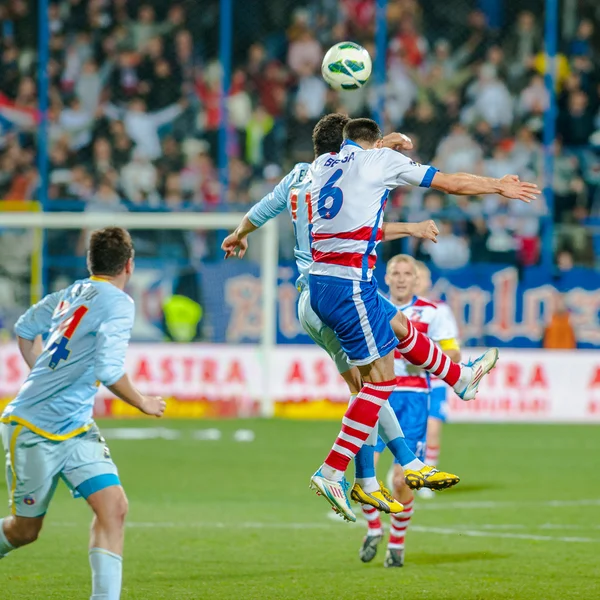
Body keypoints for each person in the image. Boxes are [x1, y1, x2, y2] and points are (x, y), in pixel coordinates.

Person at [222, 114, 462, 516]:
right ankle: (368, 470)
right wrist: (387, 147)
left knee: (378, 366)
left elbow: (261, 210)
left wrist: (239, 234)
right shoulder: (342, 175)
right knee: (373, 386)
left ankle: (384, 472)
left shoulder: (302, 174)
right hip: (333, 287)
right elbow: (367, 202)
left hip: (311, 296)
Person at [308, 117, 540, 522]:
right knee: (381, 382)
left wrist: (387, 144)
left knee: (399, 323)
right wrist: (497, 185)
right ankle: (332, 471)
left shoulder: (322, 166)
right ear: (376, 143)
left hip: (322, 282)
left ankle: (459, 377)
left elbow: (360, 210)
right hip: (349, 283)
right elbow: (450, 183)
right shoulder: (380, 161)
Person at [0, 227, 166, 600]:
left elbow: (25, 329)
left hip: (75, 426)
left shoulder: (71, 292)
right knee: (25, 531)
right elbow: (109, 371)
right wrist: (143, 401)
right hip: (33, 427)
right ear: (129, 265)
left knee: (113, 507)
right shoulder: (121, 302)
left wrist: (44, 374)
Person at [358, 255, 461, 567]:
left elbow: (453, 351)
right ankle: (374, 529)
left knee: (403, 480)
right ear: (386, 278)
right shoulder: (371, 304)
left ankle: (397, 545)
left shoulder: (433, 311)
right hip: (377, 394)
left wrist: (428, 357)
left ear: (415, 279)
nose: (401, 279)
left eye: (407, 274)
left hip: (414, 399)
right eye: (395, 273)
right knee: (367, 475)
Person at [414, 260, 461, 487]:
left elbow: (453, 348)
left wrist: (433, 360)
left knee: (432, 429)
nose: (418, 281)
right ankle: (404, 474)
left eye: (422, 277)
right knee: (408, 433)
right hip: (407, 382)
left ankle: (428, 477)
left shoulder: (440, 310)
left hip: (434, 381)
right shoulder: (396, 309)